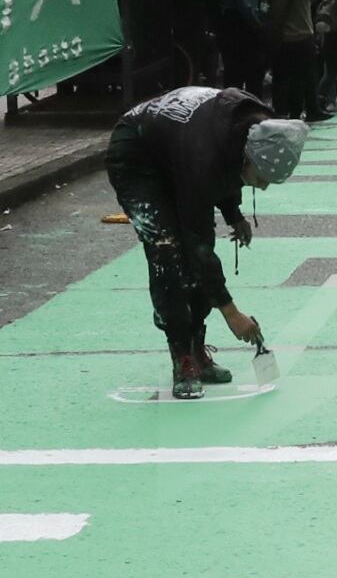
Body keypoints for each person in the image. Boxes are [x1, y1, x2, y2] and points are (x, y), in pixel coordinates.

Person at [100, 88, 308, 398]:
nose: (262, 187)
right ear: (248, 156)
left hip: (180, 150)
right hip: (136, 157)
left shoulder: (254, 128)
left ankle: (197, 346)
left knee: (199, 250)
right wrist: (231, 312)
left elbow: (226, 170)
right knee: (168, 249)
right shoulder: (204, 155)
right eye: (261, 177)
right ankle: (181, 356)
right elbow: (198, 244)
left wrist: (233, 214)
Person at [262, 0, 321, 119]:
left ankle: (280, 111)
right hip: (304, 34)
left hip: (280, 36)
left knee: (281, 76)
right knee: (302, 77)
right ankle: (299, 111)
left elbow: (265, 4)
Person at [213, 0, 267, 98]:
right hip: (242, 27)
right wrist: (258, 26)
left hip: (227, 26)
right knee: (253, 71)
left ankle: (230, 105)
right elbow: (245, 5)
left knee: (232, 71)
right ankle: (252, 105)